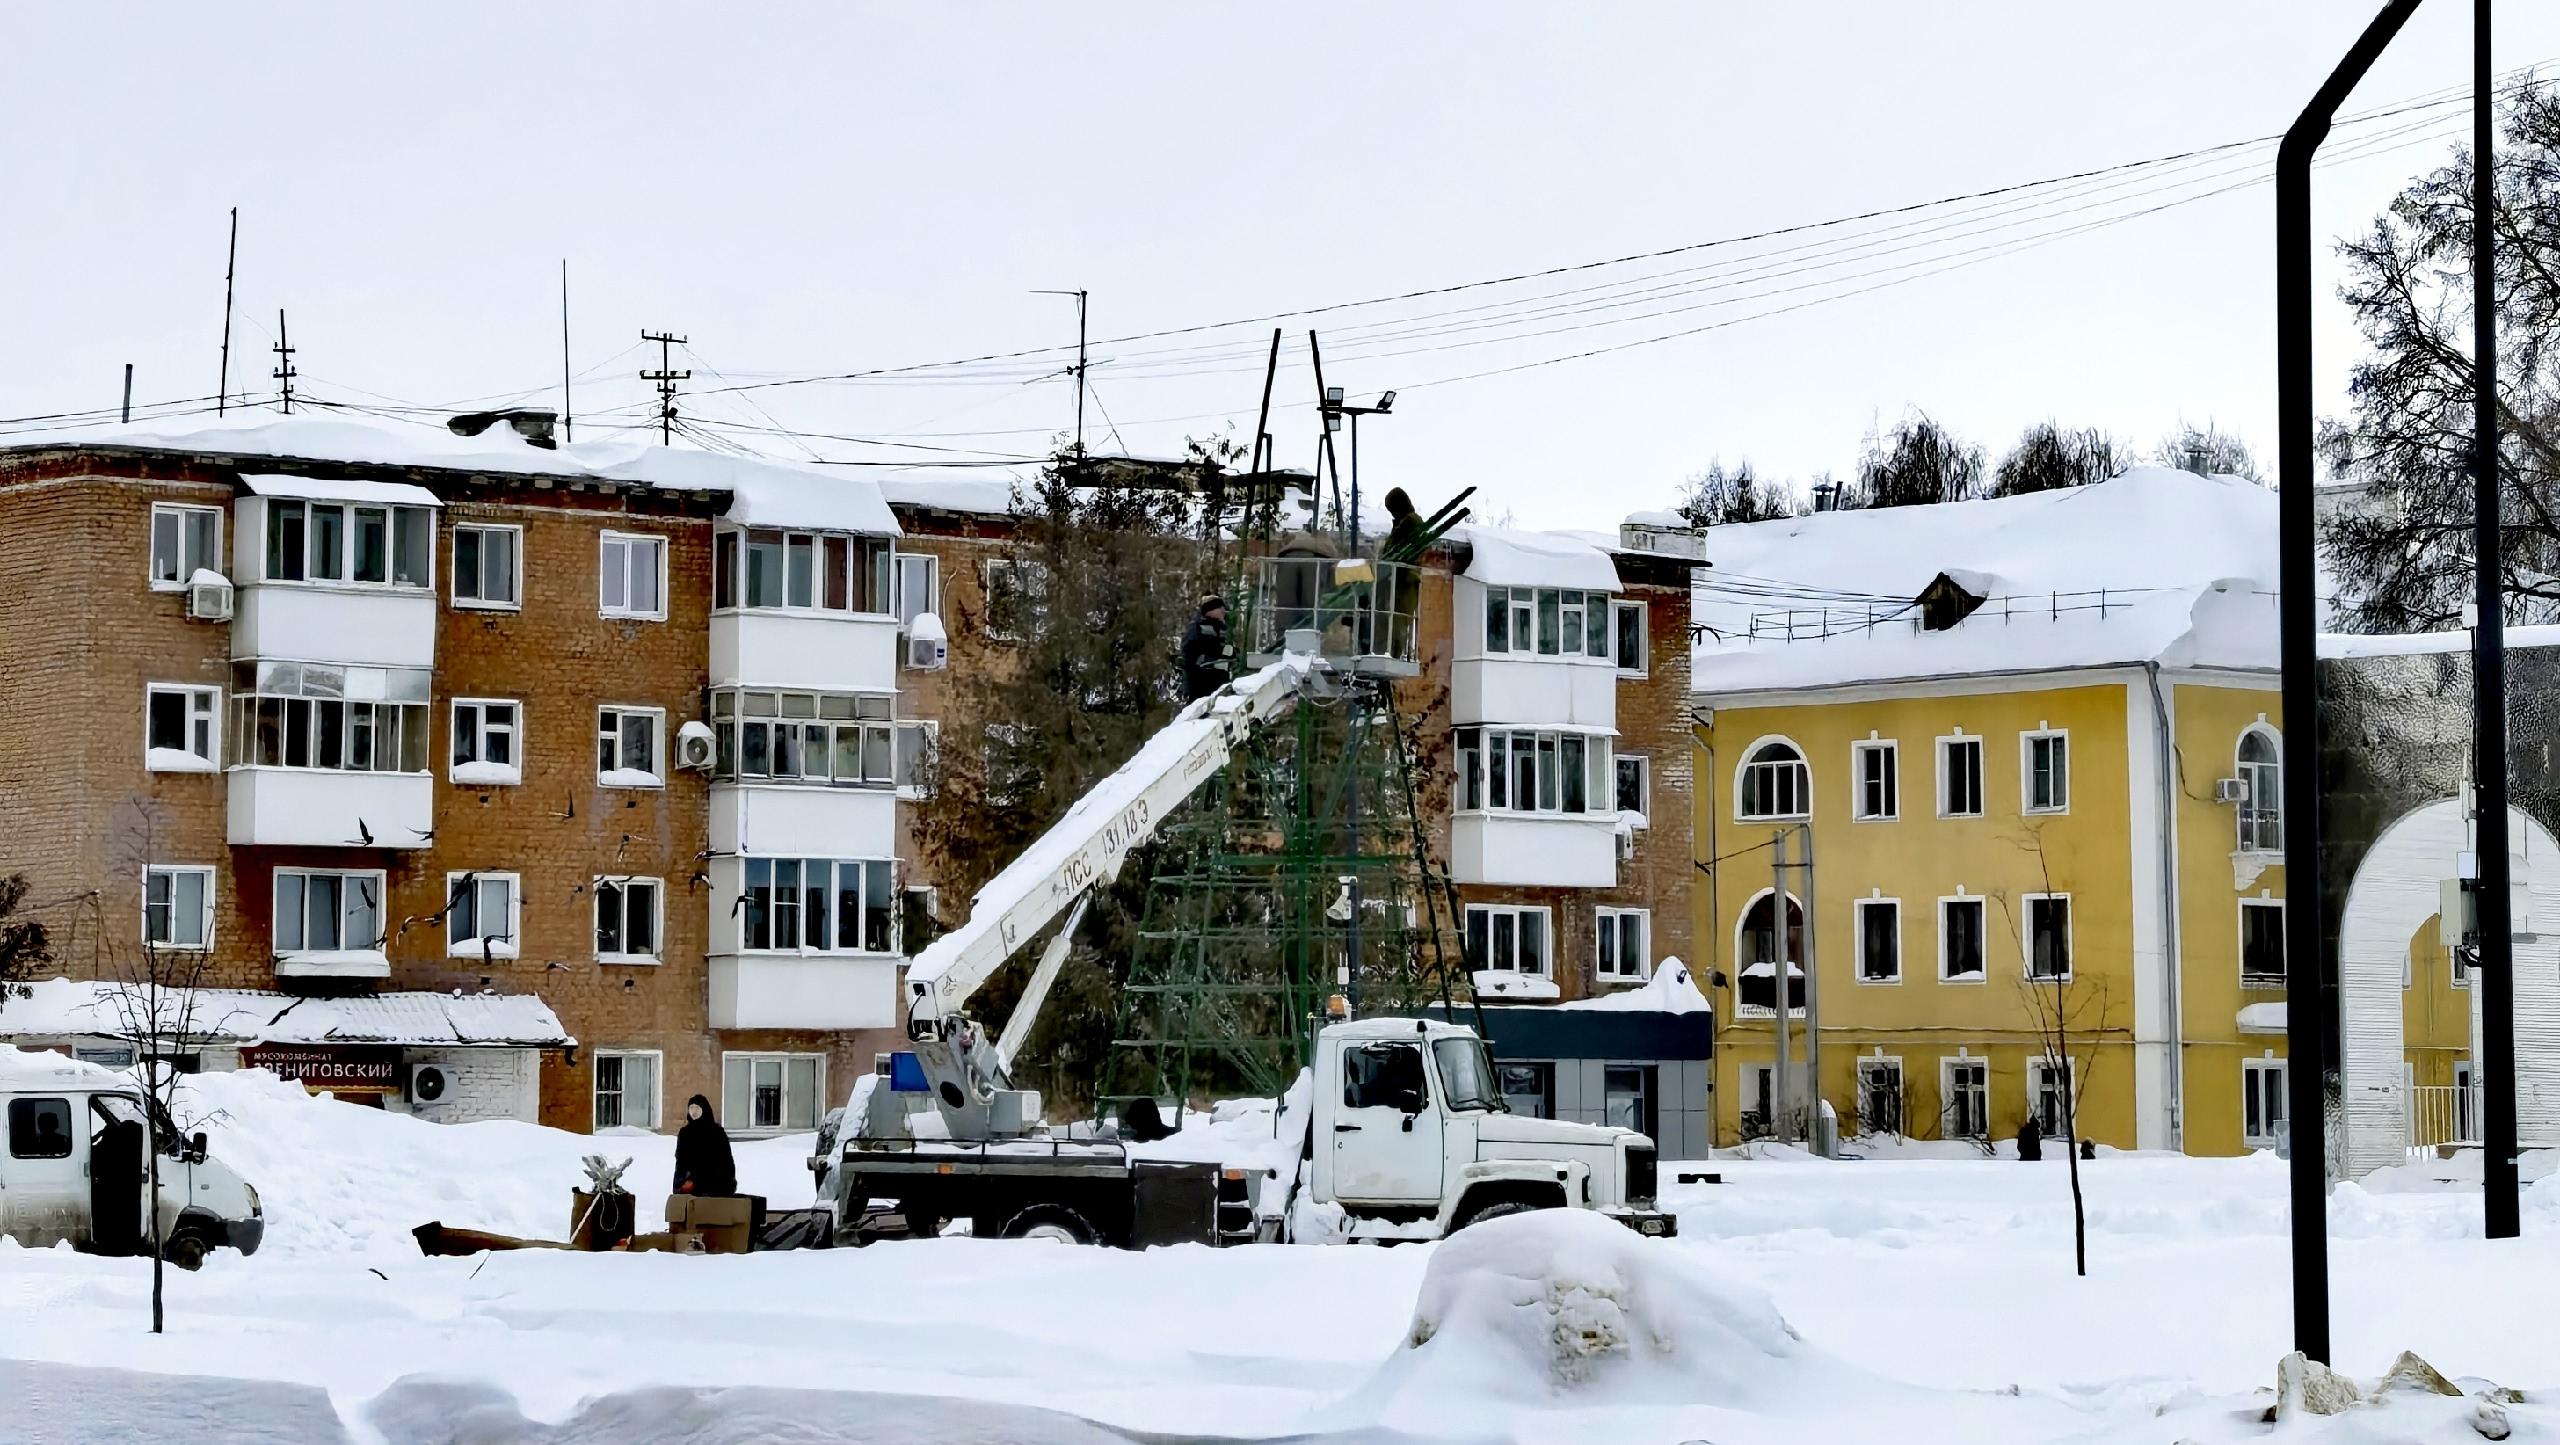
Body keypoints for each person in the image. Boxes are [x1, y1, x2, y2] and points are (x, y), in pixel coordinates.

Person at [673, 1094, 737, 1198]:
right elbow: (681, 1161)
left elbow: (725, 1161)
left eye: (697, 1108)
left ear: (704, 1110)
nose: (693, 1112)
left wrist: (725, 1184)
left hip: (715, 1187)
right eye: (691, 1108)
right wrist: (680, 1183)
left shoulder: (716, 1132)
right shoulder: (685, 1133)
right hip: (690, 1189)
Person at [1179, 595, 1234, 701]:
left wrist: (1231, 653)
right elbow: (1189, 655)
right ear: (1210, 610)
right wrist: (1211, 662)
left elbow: (1220, 650)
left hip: (1218, 684)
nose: (1223, 611)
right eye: (1219, 608)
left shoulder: (1221, 629)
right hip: (1199, 685)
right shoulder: (1196, 628)